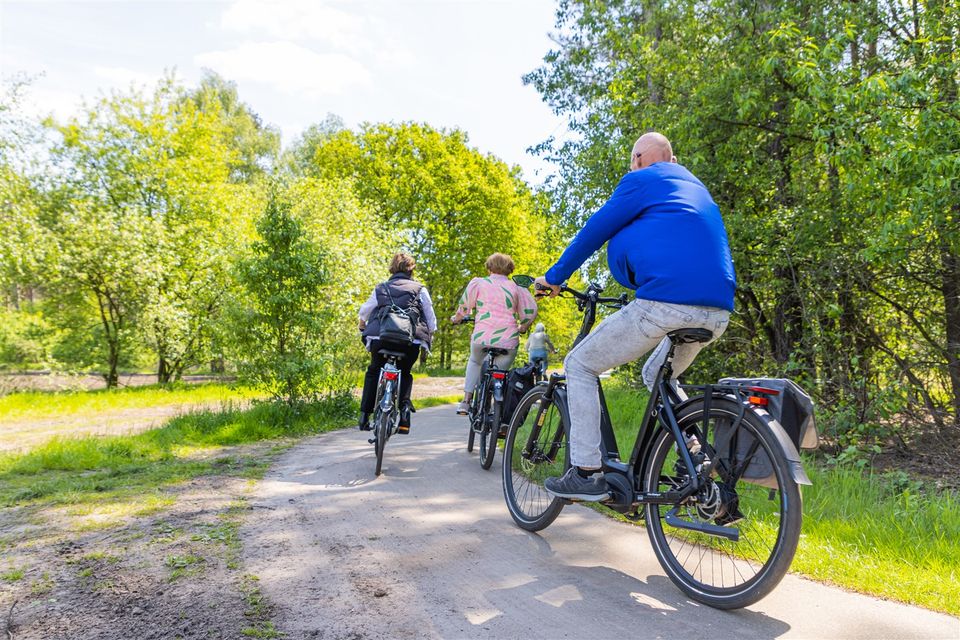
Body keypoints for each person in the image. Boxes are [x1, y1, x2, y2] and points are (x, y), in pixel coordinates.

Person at [535, 132, 736, 501]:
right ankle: (694, 454)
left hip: (666, 302)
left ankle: (585, 472)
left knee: (579, 364)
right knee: (655, 374)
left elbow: (595, 230)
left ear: (640, 158)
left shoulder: (642, 179)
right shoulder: (698, 189)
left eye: (632, 161)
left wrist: (554, 277)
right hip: (719, 311)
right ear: (673, 159)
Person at [358, 253, 437, 434]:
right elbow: (430, 317)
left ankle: (364, 415)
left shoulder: (382, 288)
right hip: (409, 341)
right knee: (405, 372)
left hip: (381, 339)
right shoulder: (420, 289)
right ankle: (404, 416)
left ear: (392, 268)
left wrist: (362, 326)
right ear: (411, 269)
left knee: (374, 370)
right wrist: (429, 334)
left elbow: (365, 311)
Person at [451, 253, 538, 415]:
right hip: (508, 339)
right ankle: (497, 408)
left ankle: (466, 400)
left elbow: (464, 307)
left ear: (489, 267)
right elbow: (530, 311)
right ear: (510, 269)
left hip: (482, 338)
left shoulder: (479, 283)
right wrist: (523, 327)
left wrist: (456, 319)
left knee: (475, 362)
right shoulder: (517, 287)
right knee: (501, 373)